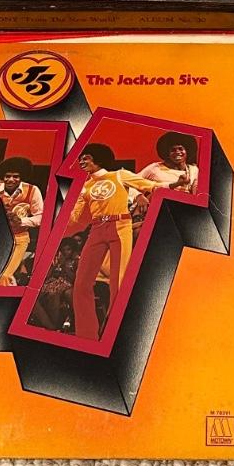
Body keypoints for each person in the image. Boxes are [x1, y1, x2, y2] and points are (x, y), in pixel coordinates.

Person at [63, 143, 160, 340]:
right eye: (80, 158)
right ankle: (86, 336)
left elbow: (152, 186)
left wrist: (175, 186)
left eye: (86, 157)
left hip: (120, 224)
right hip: (97, 229)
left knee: (119, 283)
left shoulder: (119, 175)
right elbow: (73, 218)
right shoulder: (85, 187)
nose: (81, 161)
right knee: (81, 285)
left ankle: (114, 333)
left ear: (98, 158)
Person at [0, 157, 44, 287]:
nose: (11, 179)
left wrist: (21, 221)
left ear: (21, 177)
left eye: (15, 176)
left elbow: (40, 217)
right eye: (7, 176)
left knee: (4, 275)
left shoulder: (33, 190)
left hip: (19, 239)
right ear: (3, 177)